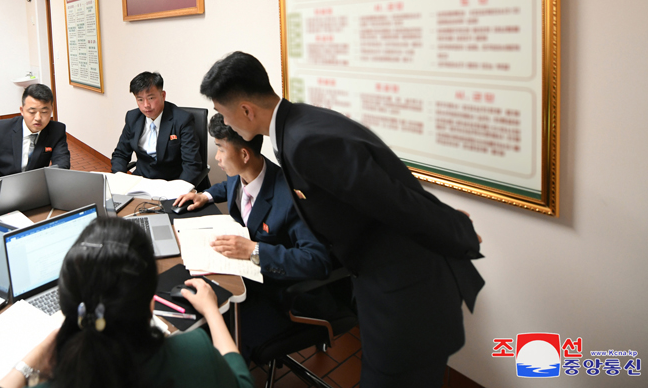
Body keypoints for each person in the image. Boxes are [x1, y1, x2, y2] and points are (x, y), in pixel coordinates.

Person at [199, 52, 485, 387]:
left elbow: (396, 202)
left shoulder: (304, 142)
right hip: (386, 281)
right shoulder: (298, 123)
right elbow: (383, 187)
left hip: (406, 293)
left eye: (223, 114)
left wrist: (459, 230)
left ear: (246, 109)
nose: (225, 123)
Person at [0, 217, 253, 388]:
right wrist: (212, 312)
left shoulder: (53, 381)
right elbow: (242, 382)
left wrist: (28, 363)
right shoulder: (195, 353)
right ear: (150, 303)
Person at [174, 113, 332, 357]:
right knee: (192, 313)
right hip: (239, 276)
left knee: (219, 342)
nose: (216, 158)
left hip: (275, 295)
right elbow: (228, 186)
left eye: (220, 149)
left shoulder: (289, 198)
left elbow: (318, 261)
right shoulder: (244, 172)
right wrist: (205, 195)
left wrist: (255, 250)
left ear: (244, 154)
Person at [0, 83, 69, 194]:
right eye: (32, 112)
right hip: (2, 191)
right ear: (22, 110)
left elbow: (62, 164)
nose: (38, 118)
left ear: (51, 110)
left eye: (44, 112)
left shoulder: (56, 130)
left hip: (35, 191)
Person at [110, 72, 203, 185]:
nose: (146, 105)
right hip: (141, 180)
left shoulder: (182, 120)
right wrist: (120, 179)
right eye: (140, 99)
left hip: (171, 182)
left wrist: (178, 190)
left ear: (163, 95)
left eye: (151, 98)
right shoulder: (132, 117)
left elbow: (191, 164)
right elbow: (120, 154)